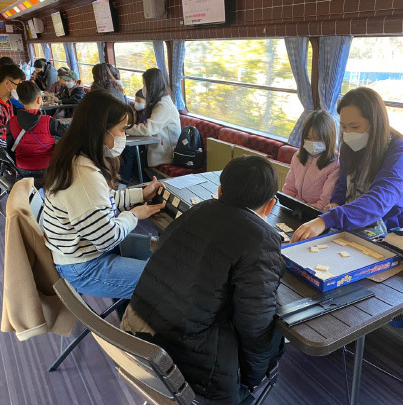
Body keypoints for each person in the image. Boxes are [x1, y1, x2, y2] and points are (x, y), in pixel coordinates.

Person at [122, 155, 285, 405]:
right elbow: (255, 324)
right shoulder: (262, 239)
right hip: (191, 370)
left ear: (219, 191)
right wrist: (252, 378)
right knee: (276, 333)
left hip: (138, 339)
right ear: (270, 206)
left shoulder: (197, 209)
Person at [42, 90, 165, 299]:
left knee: (159, 247)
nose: (124, 136)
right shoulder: (83, 175)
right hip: (84, 265)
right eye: (122, 130)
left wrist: (140, 195)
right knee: (166, 281)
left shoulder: (77, 157)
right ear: (101, 130)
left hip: (85, 249)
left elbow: (101, 204)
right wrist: (134, 215)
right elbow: (108, 239)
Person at [291, 87, 403, 242]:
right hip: (350, 223)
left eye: (355, 127)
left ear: (375, 123)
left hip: (388, 231)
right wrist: (335, 203)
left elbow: (378, 200)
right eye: (343, 127)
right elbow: (343, 185)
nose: (348, 133)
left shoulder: (401, 153)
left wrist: (326, 220)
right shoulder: (350, 145)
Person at [6, 81, 69, 179]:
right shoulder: (49, 121)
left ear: (20, 101)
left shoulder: (11, 122)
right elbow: (69, 134)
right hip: (47, 168)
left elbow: (10, 147)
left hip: (22, 169)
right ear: (40, 100)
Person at [282, 110, 340, 209]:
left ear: (329, 138)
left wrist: (303, 210)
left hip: (314, 212)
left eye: (318, 139)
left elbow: (325, 201)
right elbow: (289, 188)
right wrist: (287, 203)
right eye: (308, 138)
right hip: (294, 207)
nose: (312, 143)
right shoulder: (298, 156)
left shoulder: (335, 163)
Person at [126, 68, 180, 167]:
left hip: (166, 154)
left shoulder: (163, 106)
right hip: (158, 147)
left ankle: (125, 182)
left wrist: (125, 128)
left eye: (144, 84)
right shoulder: (158, 102)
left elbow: (148, 129)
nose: (143, 88)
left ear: (151, 86)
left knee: (129, 151)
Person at [119, 88, 147, 184]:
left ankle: (124, 181)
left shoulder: (147, 114)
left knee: (128, 151)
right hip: (139, 142)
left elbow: (144, 129)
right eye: (135, 101)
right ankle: (124, 180)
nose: (136, 103)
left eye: (139, 101)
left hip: (147, 145)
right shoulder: (136, 112)